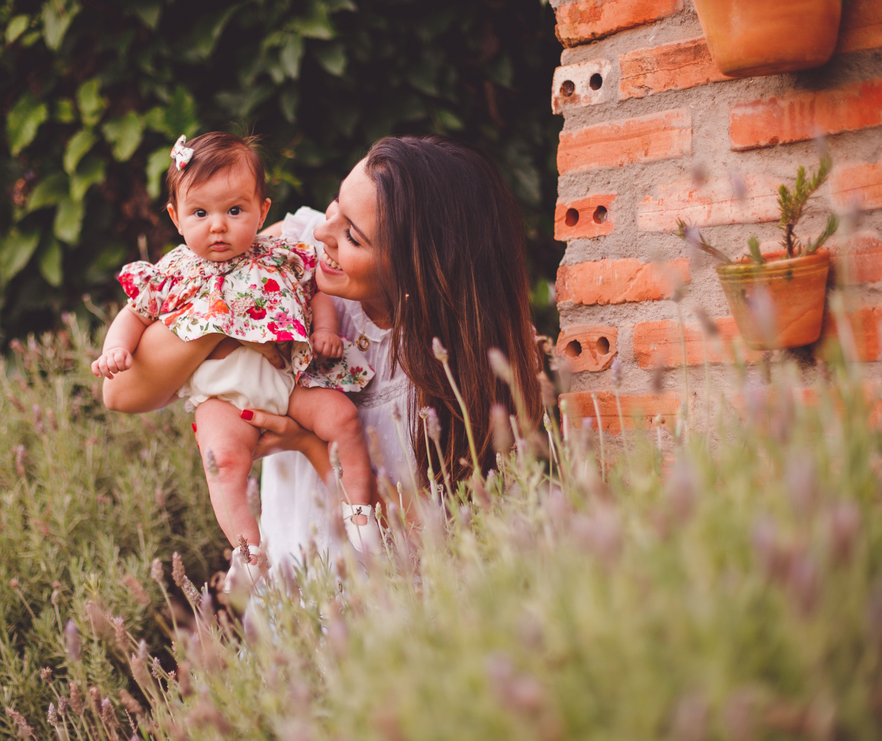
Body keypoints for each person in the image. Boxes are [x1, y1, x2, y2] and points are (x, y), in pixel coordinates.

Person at [101, 134, 544, 574]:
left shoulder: (463, 369)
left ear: (418, 264)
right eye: (335, 206)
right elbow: (120, 393)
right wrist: (233, 321)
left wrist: (309, 444)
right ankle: (248, 553)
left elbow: (421, 544)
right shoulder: (280, 250)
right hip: (290, 584)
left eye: (351, 236)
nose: (321, 233)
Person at [91, 132, 381, 587]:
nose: (218, 226)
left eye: (234, 211)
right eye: (200, 213)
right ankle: (249, 551)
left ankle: (360, 516)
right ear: (175, 217)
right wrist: (117, 349)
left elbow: (315, 291)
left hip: (289, 381)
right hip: (221, 396)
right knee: (221, 461)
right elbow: (134, 315)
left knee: (343, 417)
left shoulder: (284, 255)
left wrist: (324, 331)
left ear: (262, 210)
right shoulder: (172, 271)